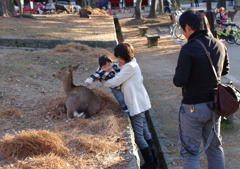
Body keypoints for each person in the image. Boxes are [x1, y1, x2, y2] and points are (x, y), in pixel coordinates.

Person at [173, 10, 230, 169]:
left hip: (193, 107)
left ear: (188, 27)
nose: (182, 33)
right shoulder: (219, 44)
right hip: (215, 105)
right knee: (214, 149)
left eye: (182, 28)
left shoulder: (188, 48)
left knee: (190, 152)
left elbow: (179, 81)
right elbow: (224, 71)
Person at [104, 42, 156, 169]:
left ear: (125, 57)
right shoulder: (130, 64)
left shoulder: (129, 68)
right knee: (145, 132)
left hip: (136, 105)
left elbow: (115, 81)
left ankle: (150, 164)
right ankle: (154, 160)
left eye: (119, 58)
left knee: (139, 137)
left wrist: (104, 81)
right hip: (140, 102)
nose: (118, 60)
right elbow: (116, 68)